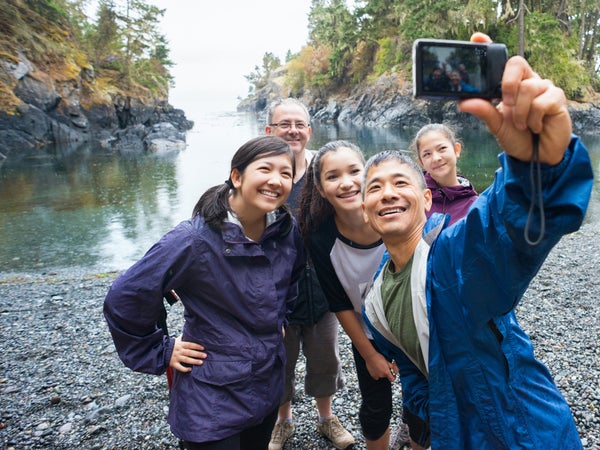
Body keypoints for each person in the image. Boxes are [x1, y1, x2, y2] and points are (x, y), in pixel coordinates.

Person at [361, 32, 594, 449]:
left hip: (523, 428)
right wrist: (435, 410)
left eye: (400, 182)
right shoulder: (374, 300)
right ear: (364, 210)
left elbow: (505, 227)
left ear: (427, 199)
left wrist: (538, 165)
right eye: (374, 188)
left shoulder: (449, 257)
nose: (388, 193)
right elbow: (413, 369)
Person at [104, 136, 305, 450]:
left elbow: (293, 277)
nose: (276, 181)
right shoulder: (194, 239)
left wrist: (281, 317)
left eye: (286, 174)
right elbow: (126, 294)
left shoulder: (284, 229)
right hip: (211, 391)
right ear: (236, 176)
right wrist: (161, 348)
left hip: (266, 380)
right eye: (265, 169)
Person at [298, 140, 409, 450]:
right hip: (369, 333)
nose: (346, 183)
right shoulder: (321, 238)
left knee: (420, 403)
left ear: (369, 174)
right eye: (333, 176)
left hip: (416, 327)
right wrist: (371, 354)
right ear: (319, 188)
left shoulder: (393, 215)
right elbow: (339, 302)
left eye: (355, 171)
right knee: (376, 409)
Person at [264, 99, 356, 450]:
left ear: (309, 130)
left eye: (299, 124)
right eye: (284, 124)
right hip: (274, 293)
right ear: (269, 130)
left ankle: (326, 418)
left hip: (324, 285)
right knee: (280, 360)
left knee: (325, 358)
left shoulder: (325, 170)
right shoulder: (263, 172)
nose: (293, 130)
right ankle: (282, 422)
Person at [412, 123, 478, 221]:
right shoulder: (414, 196)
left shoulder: (474, 204)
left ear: (456, 150)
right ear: (421, 162)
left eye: (442, 149)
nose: (436, 158)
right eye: (427, 154)